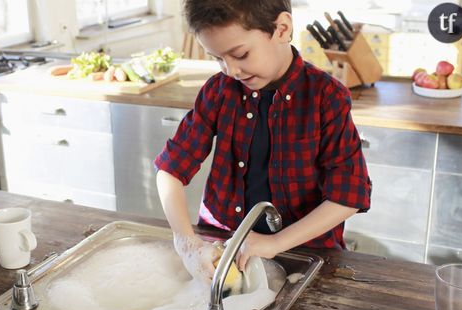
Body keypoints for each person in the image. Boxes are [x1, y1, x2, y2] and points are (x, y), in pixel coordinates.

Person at [154, 0, 371, 283]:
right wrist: (185, 242)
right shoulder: (219, 91)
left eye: (240, 54)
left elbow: (348, 197)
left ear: (282, 29)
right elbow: (169, 171)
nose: (230, 70)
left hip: (305, 254)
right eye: (218, 59)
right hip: (224, 247)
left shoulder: (325, 97)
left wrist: (275, 243)